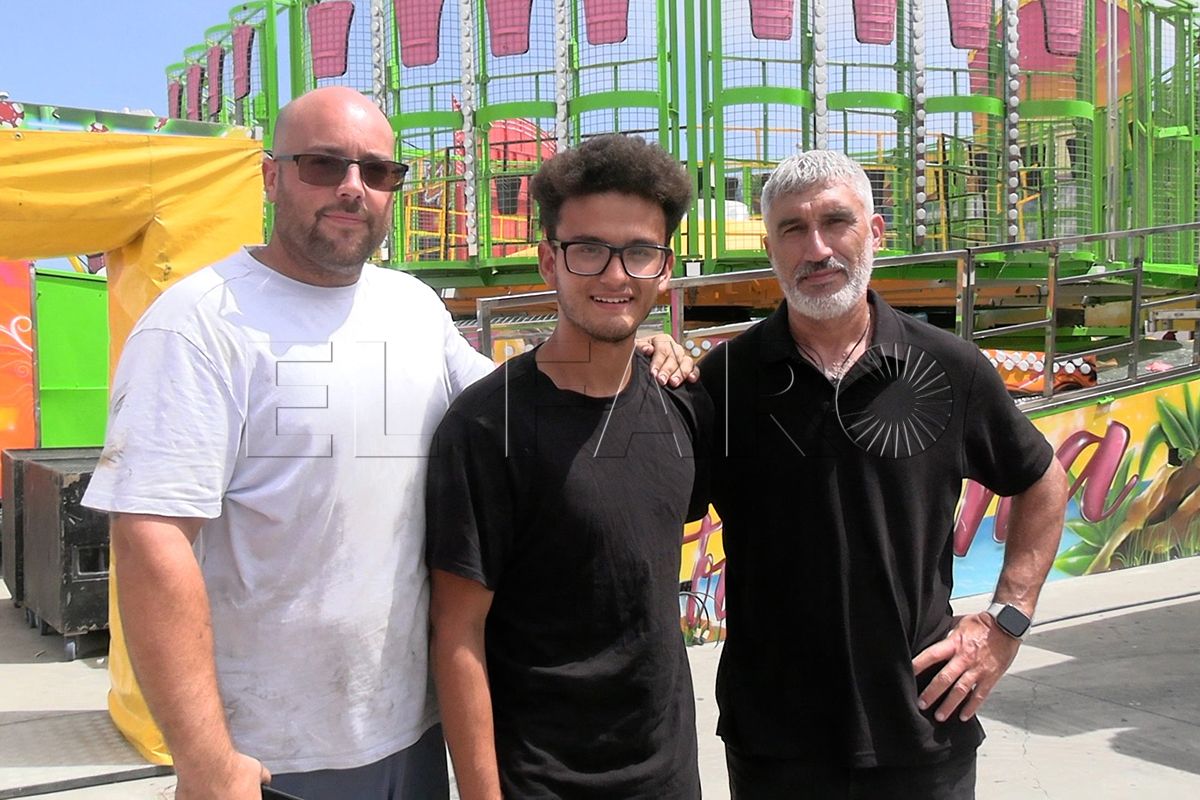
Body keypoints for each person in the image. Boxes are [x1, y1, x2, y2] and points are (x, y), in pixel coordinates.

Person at [82, 88, 694, 800]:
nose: (353, 188)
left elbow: (526, 402)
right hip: (275, 756)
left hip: (412, 731)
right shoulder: (198, 326)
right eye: (323, 165)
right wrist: (205, 757)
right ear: (271, 176)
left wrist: (632, 348)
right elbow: (150, 539)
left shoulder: (410, 307)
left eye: (377, 171)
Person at [699, 150, 1069, 798]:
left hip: (924, 727)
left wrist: (1006, 622)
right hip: (776, 746)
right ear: (769, 248)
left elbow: (1042, 480)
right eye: (792, 229)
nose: (817, 249)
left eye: (836, 222)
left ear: (875, 232)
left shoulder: (950, 368)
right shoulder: (724, 382)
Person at [425, 134, 710, 799]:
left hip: (667, 777)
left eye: (639, 252)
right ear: (549, 261)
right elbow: (457, 632)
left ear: (664, 268)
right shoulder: (485, 428)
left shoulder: (681, 404)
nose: (615, 276)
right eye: (589, 250)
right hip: (541, 782)